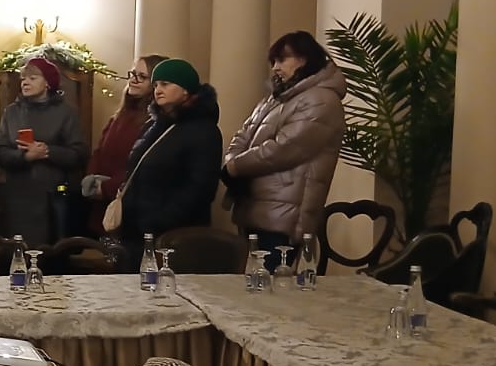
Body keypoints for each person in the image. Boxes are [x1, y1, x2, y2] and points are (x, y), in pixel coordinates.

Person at [222, 31, 347, 269]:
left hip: (284, 216)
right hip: (255, 207)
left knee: (271, 285)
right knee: (249, 285)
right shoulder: (275, 99)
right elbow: (242, 135)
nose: (275, 68)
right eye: (274, 61)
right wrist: (231, 160)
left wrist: (235, 166)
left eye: (282, 60)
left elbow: (283, 149)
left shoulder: (321, 100)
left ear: (305, 59)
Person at [118, 59, 224, 266]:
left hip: (173, 235)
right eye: (156, 84)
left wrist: (157, 220)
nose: (158, 90)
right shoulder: (156, 125)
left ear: (185, 90)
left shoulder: (203, 130)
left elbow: (200, 189)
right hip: (137, 232)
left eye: (165, 84)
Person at [0, 57, 89, 247]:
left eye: (32, 78)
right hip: (17, 199)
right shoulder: (12, 112)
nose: (25, 82)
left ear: (47, 83)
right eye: (23, 79)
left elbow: (79, 153)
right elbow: (0, 151)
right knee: (17, 253)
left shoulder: (66, 112)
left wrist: (47, 152)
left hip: (52, 199)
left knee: (51, 255)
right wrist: (25, 157)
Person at [84, 55, 163, 235]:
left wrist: (106, 188)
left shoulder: (153, 122)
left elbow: (138, 165)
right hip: (101, 203)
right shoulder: (120, 115)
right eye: (133, 74)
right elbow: (100, 151)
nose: (134, 80)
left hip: (127, 204)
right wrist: (91, 180)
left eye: (142, 77)